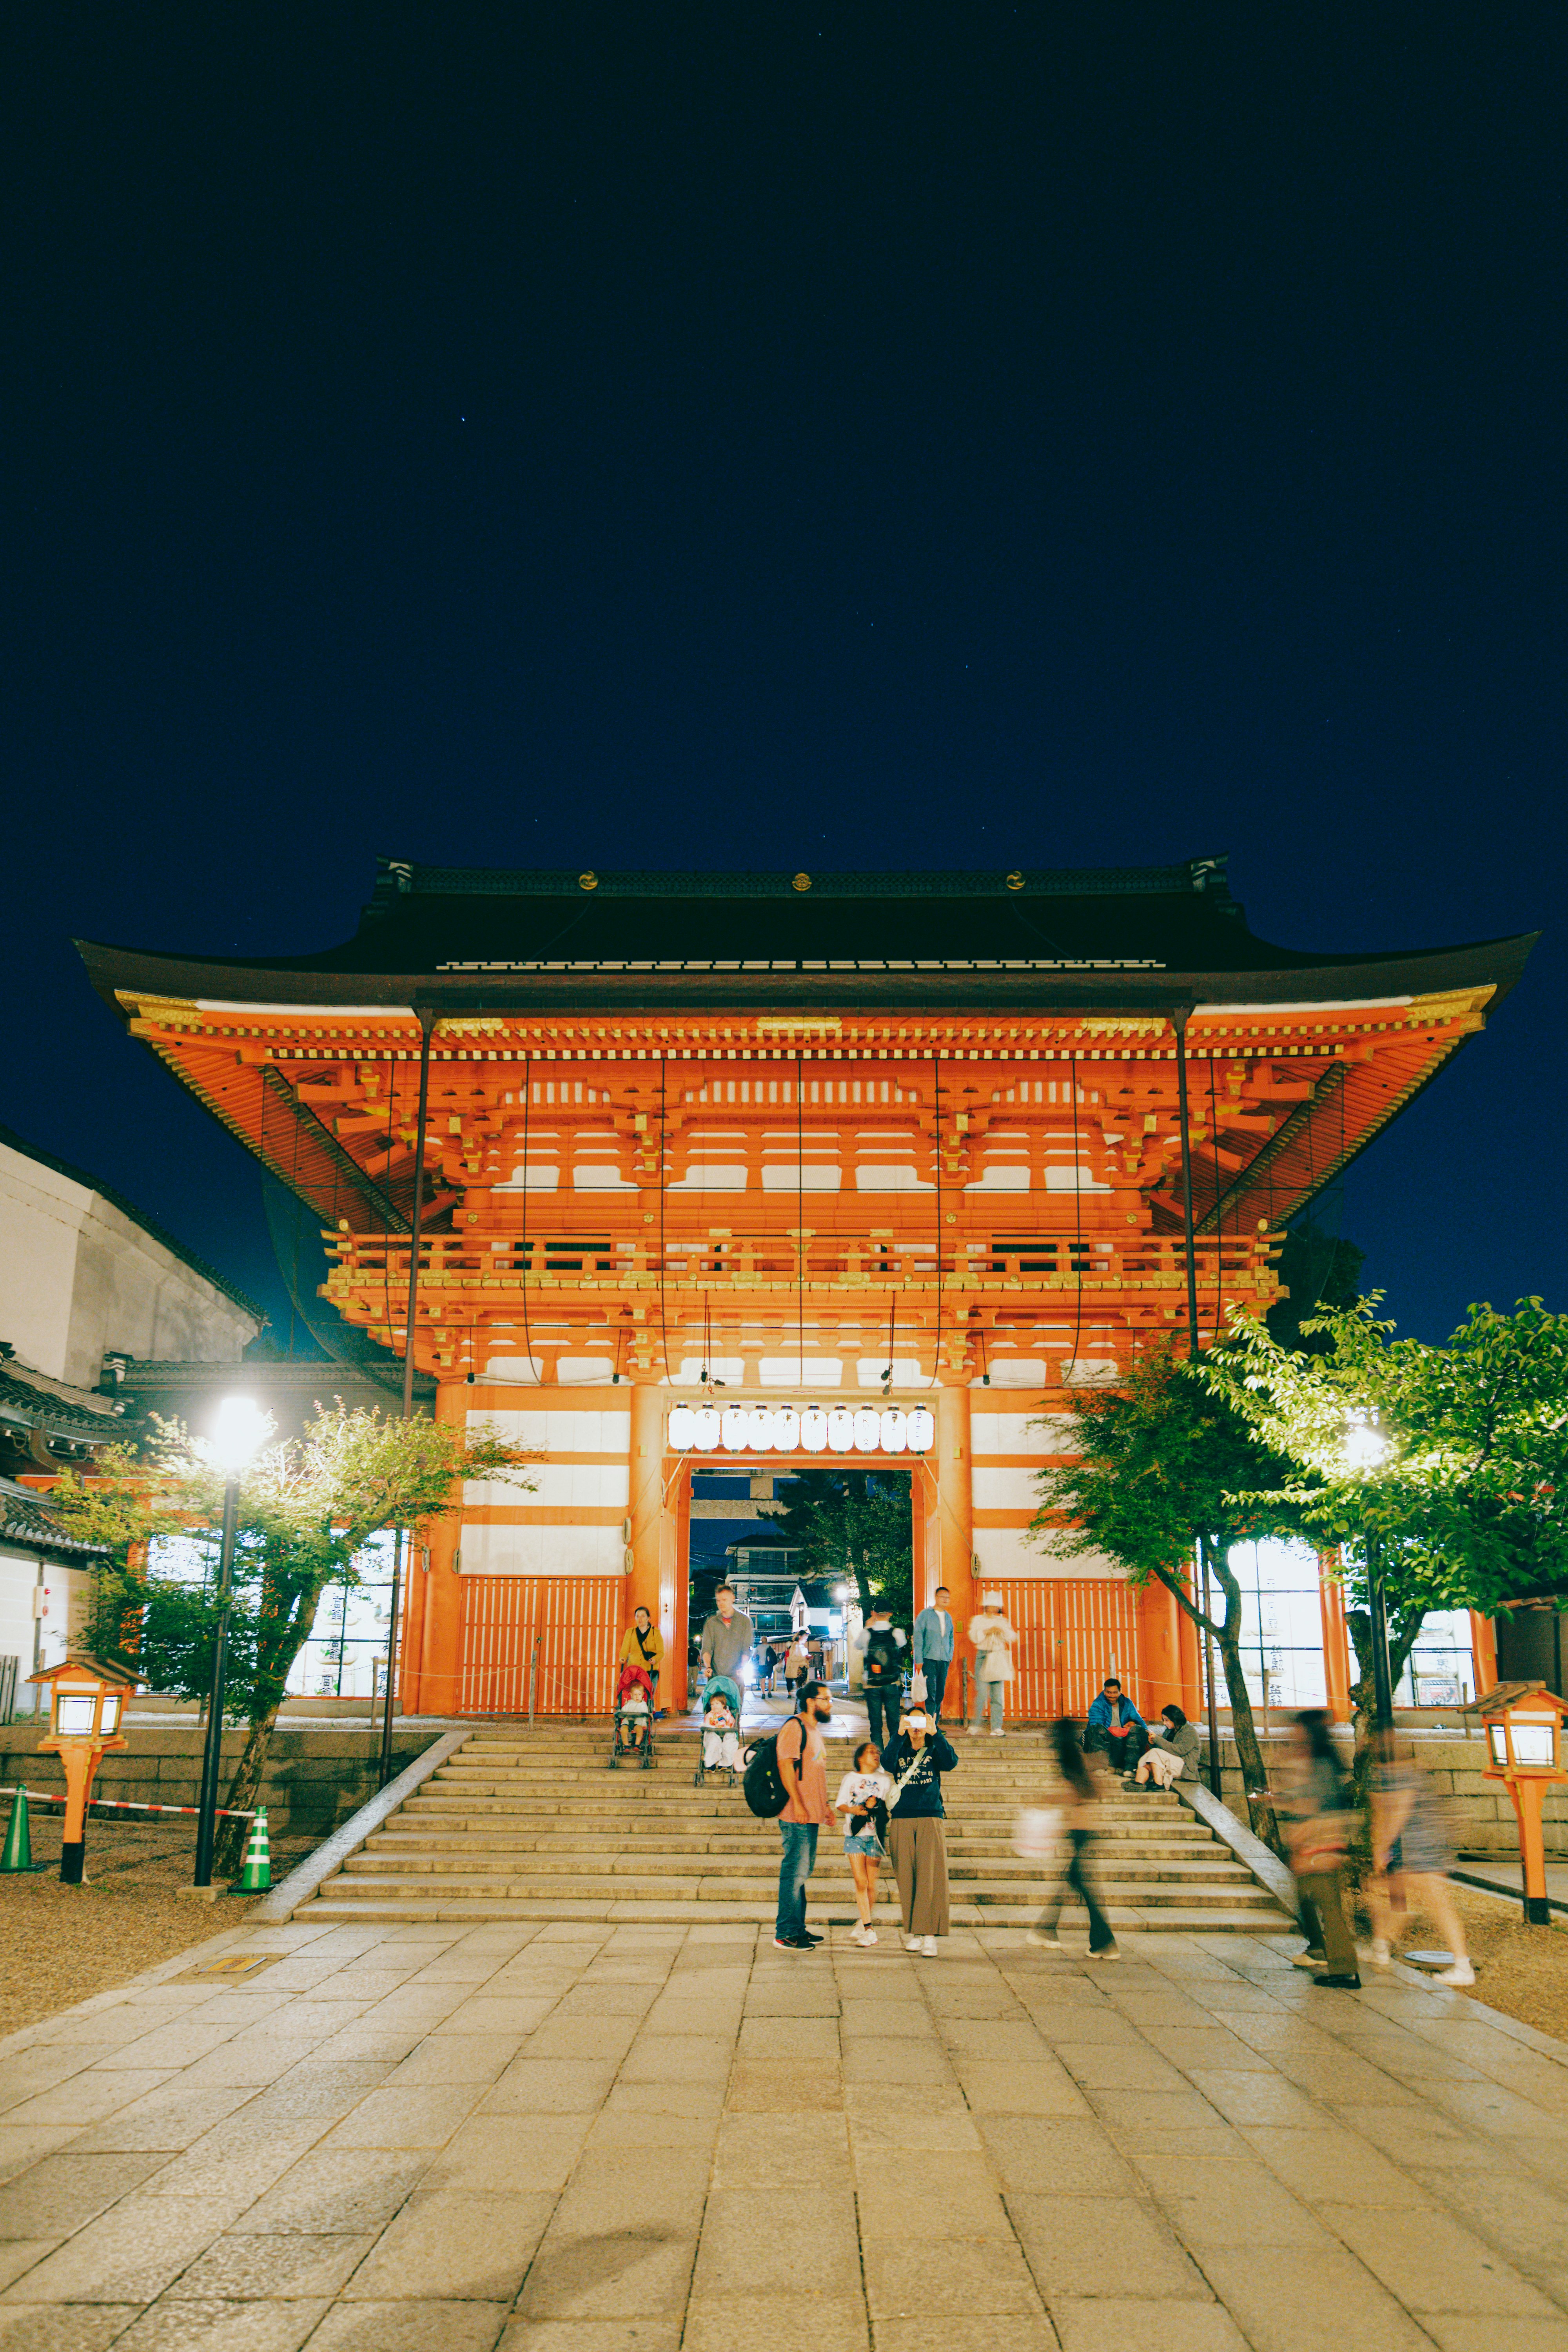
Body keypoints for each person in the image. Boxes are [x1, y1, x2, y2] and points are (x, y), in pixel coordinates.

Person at [1367, 1727, 1474, 1986]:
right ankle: (1381, 1946)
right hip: (1423, 1847)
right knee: (1379, 1891)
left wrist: (1381, 1851)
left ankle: (1463, 1967)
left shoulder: (1396, 1774)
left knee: (1438, 1906)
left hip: (1417, 1851)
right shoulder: (1412, 1769)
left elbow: (1394, 1815)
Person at [1269, 1709, 1361, 1989]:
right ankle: (1320, 1950)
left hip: (1321, 1844)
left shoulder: (1321, 1763)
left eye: (1297, 1730)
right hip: (1316, 1842)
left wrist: (1302, 1843)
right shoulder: (1318, 1759)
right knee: (1309, 1900)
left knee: (1329, 1907)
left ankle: (1345, 1969)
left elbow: (1316, 1805)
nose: (1293, 1735)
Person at [1029, 1717, 1119, 1959]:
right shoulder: (1075, 1752)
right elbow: (1088, 1788)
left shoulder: (1069, 1754)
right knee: (1074, 1881)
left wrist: (1046, 1801)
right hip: (1084, 1828)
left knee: (1083, 1886)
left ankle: (1104, 1942)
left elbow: (1075, 1792)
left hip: (1081, 1827)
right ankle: (1047, 1930)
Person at [880, 1706, 958, 1956]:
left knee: (931, 1877)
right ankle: (913, 1932)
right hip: (902, 1818)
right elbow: (886, 1763)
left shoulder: (935, 1747)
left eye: (921, 1721)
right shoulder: (900, 1748)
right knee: (906, 1877)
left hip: (929, 1815)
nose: (917, 1726)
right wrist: (898, 1734)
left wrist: (936, 1734)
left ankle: (929, 1936)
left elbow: (951, 1763)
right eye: (912, 1721)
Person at [774, 1680, 836, 1950]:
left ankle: (798, 1928)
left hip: (812, 1814)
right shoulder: (794, 1727)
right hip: (796, 1814)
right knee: (794, 1873)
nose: (830, 1704)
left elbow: (815, 1774)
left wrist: (825, 1807)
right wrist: (798, 1804)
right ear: (811, 1701)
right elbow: (785, 1765)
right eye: (826, 1699)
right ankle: (785, 1932)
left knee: (802, 1872)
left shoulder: (814, 1730)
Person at [834, 1739, 892, 1946]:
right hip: (854, 1837)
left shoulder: (884, 1780)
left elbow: (889, 1807)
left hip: (875, 1837)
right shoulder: (850, 1778)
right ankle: (869, 1929)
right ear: (860, 1758)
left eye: (877, 1752)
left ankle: (863, 1921)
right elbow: (840, 1804)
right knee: (861, 1882)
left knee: (871, 1885)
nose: (875, 1755)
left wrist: (876, 1807)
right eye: (870, 1752)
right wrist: (855, 1810)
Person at [699, 1584, 755, 1717]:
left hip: (736, 1676)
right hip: (716, 1677)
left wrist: (742, 1667)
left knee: (734, 1714)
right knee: (714, 1714)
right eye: (718, 1600)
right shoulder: (711, 1622)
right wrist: (708, 1666)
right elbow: (707, 1649)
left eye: (724, 1600)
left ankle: (733, 1737)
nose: (721, 1604)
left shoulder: (744, 1621)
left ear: (733, 1599)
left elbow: (746, 1649)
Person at [856, 1606, 907, 1751]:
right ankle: (895, 1755)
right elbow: (902, 1644)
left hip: (872, 1684)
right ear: (890, 1614)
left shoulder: (867, 1633)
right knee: (894, 1723)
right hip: (892, 1682)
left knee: (876, 1724)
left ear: (873, 1613)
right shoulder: (897, 1633)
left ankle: (878, 1758)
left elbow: (858, 1646)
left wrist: (867, 1626)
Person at [966, 1593, 1017, 1735]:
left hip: (997, 1657)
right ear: (985, 1606)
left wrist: (1002, 1631)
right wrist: (988, 1630)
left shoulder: (1003, 1621)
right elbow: (974, 1637)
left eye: (995, 1606)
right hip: (982, 1656)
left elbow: (1013, 1637)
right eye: (990, 1605)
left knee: (997, 1695)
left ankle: (996, 1727)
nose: (992, 1608)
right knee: (981, 1693)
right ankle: (976, 1725)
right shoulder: (977, 1620)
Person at [1084, 1677, 1148, 1773]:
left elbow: (1139, 1721)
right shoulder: (1098, 1704)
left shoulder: (1127, 1703)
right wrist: (1114, 1731)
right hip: (1109, 1740)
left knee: (1138, 1730)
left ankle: (1130, 1768)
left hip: (1125, 1738)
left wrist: (1134, 1724)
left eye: (1115, 1692)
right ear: (1105, 1692)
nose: (1112, 1696)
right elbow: (1096, 1727)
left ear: (1120, 1691)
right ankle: (1099, 1767)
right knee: (1097, 1729)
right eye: (1109, 1692)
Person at [912, 1586, 956, 1725]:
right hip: (929, 1658)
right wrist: (918, 1660)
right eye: (943, 1597)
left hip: (944, 1659)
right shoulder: (925, 1615)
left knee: (940, 1693)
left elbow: (951, 1638)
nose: (945, 1600)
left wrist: (950, 1656)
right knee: (931, 1692)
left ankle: (934, 1724)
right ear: (936, 1597)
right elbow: (918, 1638)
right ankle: (931, 1725)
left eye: (948, 1598)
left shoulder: (948, 1617)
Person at [1134, 1703, 1200, 1789]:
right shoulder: (1169, 1731)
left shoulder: (1189, 1731)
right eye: (1164, 1720)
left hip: (1185, 1767)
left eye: (1167, 1720)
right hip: (1170, 1763)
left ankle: (1159, 1784)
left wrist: (1158, 1740)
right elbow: (1161, 1751)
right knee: (1147, 1766)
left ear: (1175, 1719)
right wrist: (1152, 1743)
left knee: (1155, 1753)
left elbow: (1180, 1750)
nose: (1165, 1723)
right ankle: (1138, 1784)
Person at [619, 1605, 665, 1715]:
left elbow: (661, 1652)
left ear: (649, 1618)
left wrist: (655, 1659)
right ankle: (631, 1713)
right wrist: (623, 1657)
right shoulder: (630, 1632)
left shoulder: (655, 1633)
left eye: (643, 1616)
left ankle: (648, 1717)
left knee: (648, 1695)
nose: (640, 1619)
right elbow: (625, 1649)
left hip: (650, 1669)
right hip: (634, 1670)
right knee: (634, 1693)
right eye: (638, 1616)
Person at [702, 1685, 742, 1773]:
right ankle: (710, 1764)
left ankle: (724, 1764)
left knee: (729, 1743)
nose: (714, 1706)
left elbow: (731, 1723)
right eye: (712, 1704)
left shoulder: (728, 1714)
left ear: (723, 1705)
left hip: (726, 1733)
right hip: (714, 1734)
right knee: (712, 1742)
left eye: (717, 1704)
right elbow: (707, 1725)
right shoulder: (710, 1715)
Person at [615, 1661, 653, 1747]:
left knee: (640, 1731)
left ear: (643, 1695)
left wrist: (644, 1724)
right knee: (623, 1730)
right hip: (627, 1722)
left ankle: (637, 1745)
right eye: (635, 1695)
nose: (637, 1697)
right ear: (631, 1695)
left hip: (638, 1724)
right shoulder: (629, 1703)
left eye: (639, 1695)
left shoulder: (644, 1705)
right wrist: (620, 1712)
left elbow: (645, 1716)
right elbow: (623, 1711)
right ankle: (626, 1745)